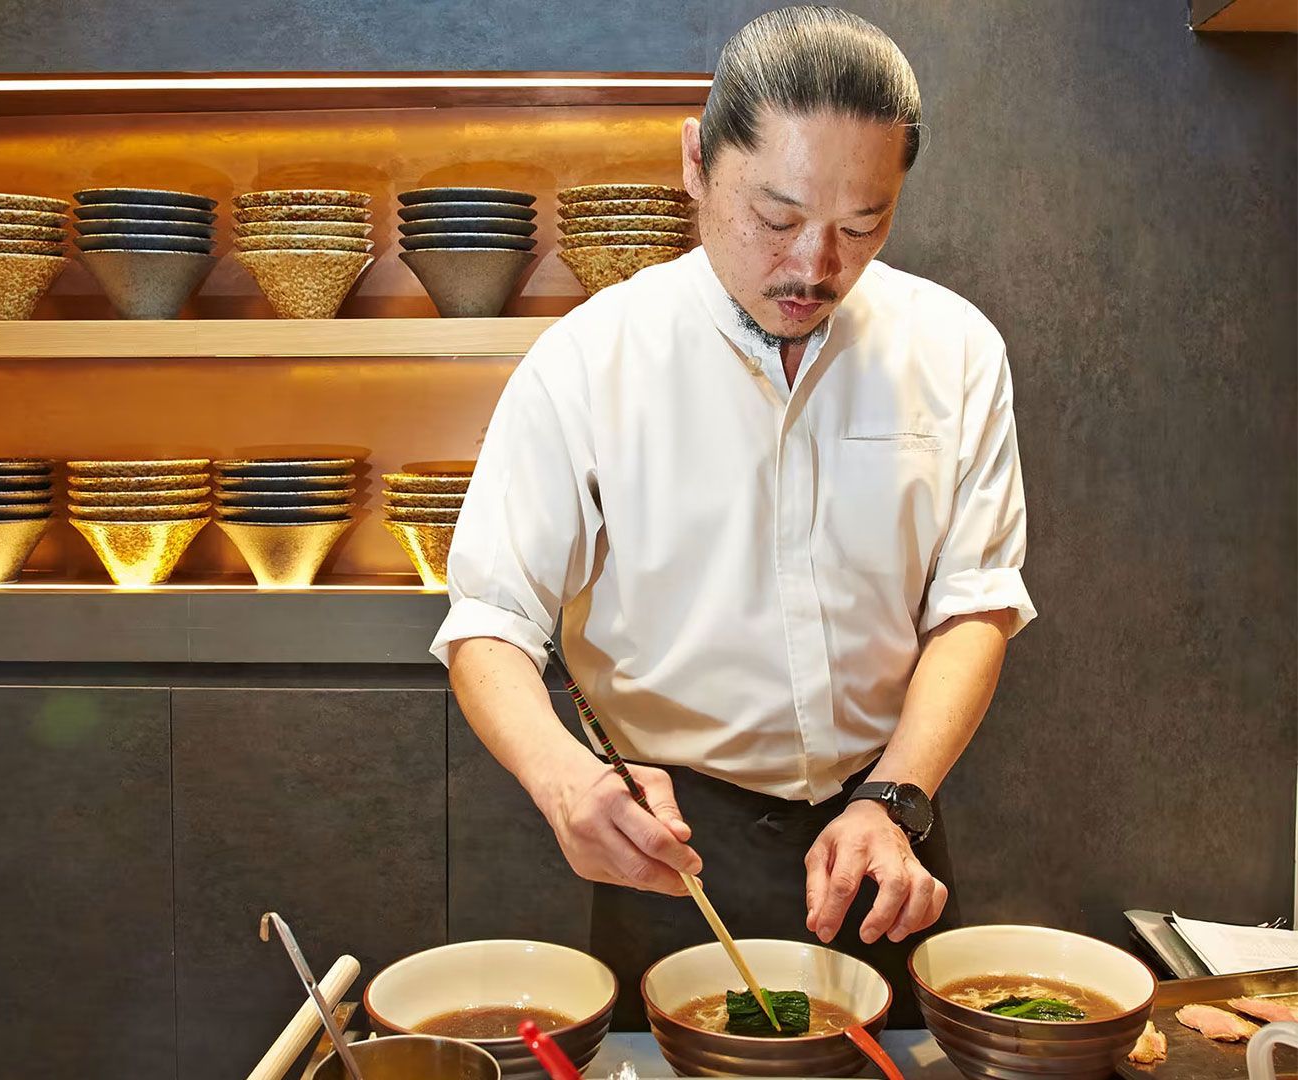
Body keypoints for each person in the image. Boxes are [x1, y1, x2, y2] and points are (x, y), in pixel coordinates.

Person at [430, 5, 1037, 1027]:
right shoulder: (589, 361)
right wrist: (566, 783)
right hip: (675, 849)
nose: (812, 265)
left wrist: (895, 797)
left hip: (883, 826)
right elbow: (488, 622)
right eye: (776, 215)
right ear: (696, 165)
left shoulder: (954, 348)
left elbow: (973, 603)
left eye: (860, 225)